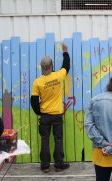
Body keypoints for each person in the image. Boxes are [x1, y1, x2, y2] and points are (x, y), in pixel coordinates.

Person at [31, 44, 70, 173]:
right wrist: (65, 52)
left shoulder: (38, 82)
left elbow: (34, 101)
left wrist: (40, 112)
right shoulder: (59, 76)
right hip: (57, 115)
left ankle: (45, 166)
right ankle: (59, 165)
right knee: (58, 139)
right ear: (52, 66)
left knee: (45, 139)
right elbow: (66, 66)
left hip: (45, 115)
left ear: (42, 68)